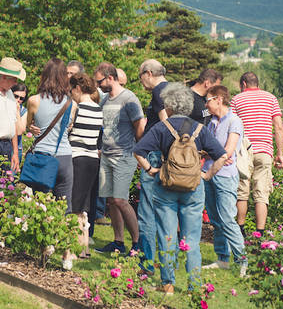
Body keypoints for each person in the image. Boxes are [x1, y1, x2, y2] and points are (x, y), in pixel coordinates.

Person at [133, 83, 228, 294]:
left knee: (167, 235)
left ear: (169, 105)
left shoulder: (161, 127)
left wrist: (151, 169)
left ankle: (167, 283)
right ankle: (194, 285)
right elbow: (222, 155)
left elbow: (138, 151)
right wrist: (207, 175)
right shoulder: (200, 129)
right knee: (192, 238)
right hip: (194, 187)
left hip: (166, 186)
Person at [93, 62, 145, 256]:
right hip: (107, 155)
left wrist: (140, 153)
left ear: (110, 78)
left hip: (125, 155)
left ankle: (138, 242)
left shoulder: (129, 98)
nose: (98, 85)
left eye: (100, 81)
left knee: (121, 200)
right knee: (111, 201)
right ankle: (118, 241)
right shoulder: (105, 99)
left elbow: (140, 125)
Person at [230, 72, 283, 236]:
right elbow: (279, 127)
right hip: (265, 150)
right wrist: (280, 153)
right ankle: (260, 233)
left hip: (244, 151)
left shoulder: (236, 100)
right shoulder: (271, 98)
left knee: (242, 192)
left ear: (244, 84)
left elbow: (231, 125)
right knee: (261, 193)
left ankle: (240, 230)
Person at [202, 85, 248, 277]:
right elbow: (207, 148)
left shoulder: (234, 121)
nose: (206, 104)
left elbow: (228, 151)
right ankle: (222, 259)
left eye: (208, 100)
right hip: (208, 174)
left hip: (225, 177)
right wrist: (216, 153)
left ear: (219, 99)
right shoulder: (211, 121)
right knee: (215, 219)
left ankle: (242, 261)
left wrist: (218, 153)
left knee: (227, 219)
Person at [26, 58, 77, 212]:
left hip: (42, 155)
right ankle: (63, 235)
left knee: (40, 204)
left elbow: (29, 125)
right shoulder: (71, 103)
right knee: (64, 205)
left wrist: (32, 128)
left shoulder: (34, 100)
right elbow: (68, 128)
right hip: (64, 157)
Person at [137, 59, 169, 273]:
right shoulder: (176, 89)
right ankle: (168, 264)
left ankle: (147, 263)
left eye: (140, 77)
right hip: (169, 156)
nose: (141, 83)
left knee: (147, 210)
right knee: (166, 211)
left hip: (155, 155)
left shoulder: (159, 92)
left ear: (148, 73)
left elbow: (167, 123)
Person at [68, 72, 103, 258]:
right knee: (84, 205)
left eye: (71, 89)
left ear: (78, 88)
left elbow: (68, 130)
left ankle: (74, 248)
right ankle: (84, 247)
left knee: (74, 205)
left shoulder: (77, 107)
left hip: (77, 156)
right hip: (92, 159)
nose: (71, 93)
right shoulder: (99, 109)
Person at [11, 83, 28, 162]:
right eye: (15, 96)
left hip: (16, 149)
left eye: (21, 98)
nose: (18, 100)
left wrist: (17, 112)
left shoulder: (23, 111)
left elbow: (19, 131)